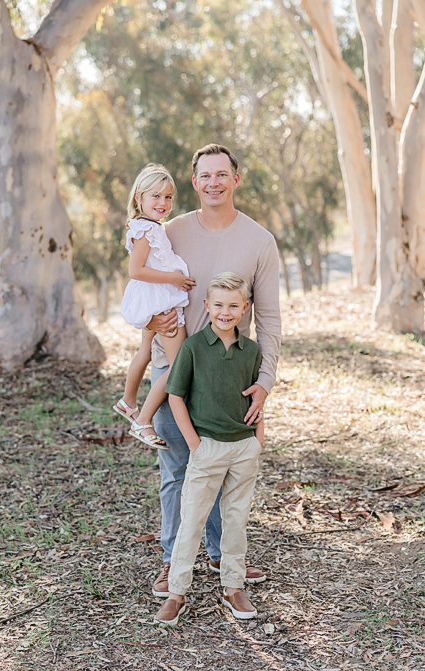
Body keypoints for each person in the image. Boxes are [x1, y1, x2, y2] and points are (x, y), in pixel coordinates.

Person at [147, 144, 281, 599]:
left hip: (231, 376)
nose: (214, 183)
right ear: (194, 180)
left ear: (235, 179)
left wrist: (263, 383)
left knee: (227, 470)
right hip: (173, 370)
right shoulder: (170, 232)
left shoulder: (259, 241)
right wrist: (149, 324)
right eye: (205, 175)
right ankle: (172, 562)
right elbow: (141, 287)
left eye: (222, 174)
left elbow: (270, 320)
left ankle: (225, 555)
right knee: (178, 469)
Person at [153, 273, 264, 625]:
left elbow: (257, 399)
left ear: (245, 309)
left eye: (233, 306)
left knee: (236, 519)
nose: (225, 312)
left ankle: (233, 586)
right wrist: (194, 444)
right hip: (207, 448)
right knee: (193, 521)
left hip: (244, 448)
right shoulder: (194, 347)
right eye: (218, 305)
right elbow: (174, 395)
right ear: (207, 306)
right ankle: (176, 593)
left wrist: (257, 440)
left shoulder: (252, 351)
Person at [113, 164, 196, 449]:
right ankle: (142, 419)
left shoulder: (147, 227)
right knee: (179, 365)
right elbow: (135, 270)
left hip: (153, 298)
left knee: (146, 351)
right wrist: (173, 278)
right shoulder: (146, 230)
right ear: (139, 197)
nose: (163, 203)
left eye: (168, 197)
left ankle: (128, 401)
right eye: (156, 196)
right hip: (161, 301)